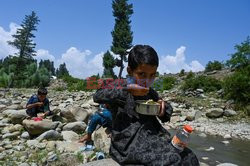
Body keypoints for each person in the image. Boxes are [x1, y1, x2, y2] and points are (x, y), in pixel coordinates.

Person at [93, 45, 199, 165]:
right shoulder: (120, 84)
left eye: (152, 75)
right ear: (130, 71)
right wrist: (127, 89)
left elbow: (165, 110)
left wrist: (163, 108)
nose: (147, 80)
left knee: (190, 157)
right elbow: (98, 95)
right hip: (129, 143)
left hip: (154, 136)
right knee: (173, 160)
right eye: (142, 74)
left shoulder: (150, 92)